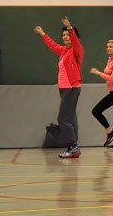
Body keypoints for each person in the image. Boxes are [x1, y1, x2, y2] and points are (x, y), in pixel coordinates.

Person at [35, 17, 84, 159]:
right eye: (63, 35)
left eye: (67, 35)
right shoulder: (64, 51)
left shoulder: (77, 49)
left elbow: (75, 41)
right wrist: (43, 34)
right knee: (70, 118)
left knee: (63, 118)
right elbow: (53, 46)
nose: (65, 37)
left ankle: (73, 147)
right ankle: (73, 146)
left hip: (71, 87)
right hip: (64, 89)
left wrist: (69, 27)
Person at [89, 40, 113, 148]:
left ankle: (110, 132)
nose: (108, 48)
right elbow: (108, 74)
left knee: (96, 111)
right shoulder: (110, 59)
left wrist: (98, 73)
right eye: (107, 46)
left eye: (110, 46)